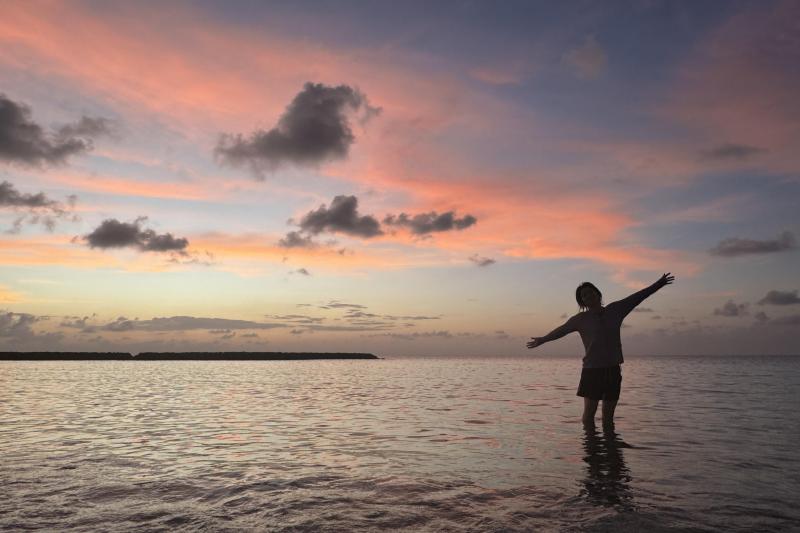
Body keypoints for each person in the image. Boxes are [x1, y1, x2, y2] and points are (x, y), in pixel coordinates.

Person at [527, 273, 675, 428]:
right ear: (582, 301)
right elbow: (561, 330)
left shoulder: (616, 310)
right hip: (592, 371)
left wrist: (659, 284)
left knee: (608, 417)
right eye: (583, 295)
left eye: (590, 292)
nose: (588, 296)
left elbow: (638, 297)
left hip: (612, 370)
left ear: (598, 293)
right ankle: (591, 449)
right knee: (589, 415)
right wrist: (543, 339)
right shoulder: (580, 319)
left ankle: (611, 449)